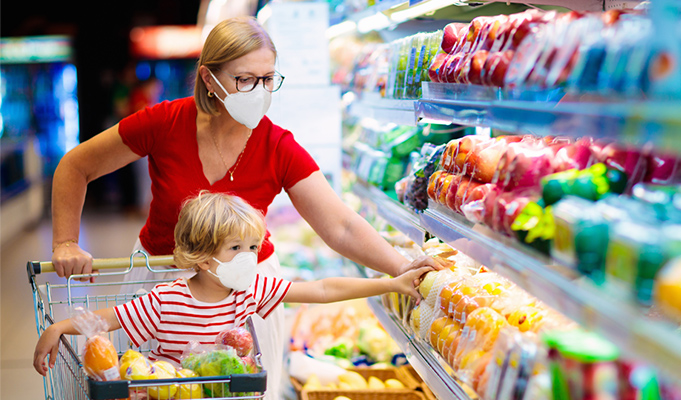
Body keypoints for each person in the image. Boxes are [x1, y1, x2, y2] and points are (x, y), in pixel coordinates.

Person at [48, 16, 440, 400]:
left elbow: (340, 226)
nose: (260, 90)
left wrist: (401, 267)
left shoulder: (277, 145)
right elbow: (76, 166)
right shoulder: (164, 123)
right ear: (209, 79)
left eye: (268, 79)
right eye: (245, 79)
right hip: (162, 287)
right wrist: (65, 241)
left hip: (245, 292)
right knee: (154, 387)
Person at [34, 192, 431, 375]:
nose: (250, 257)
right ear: (203, 258)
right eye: (236, 248)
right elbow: (111, 318)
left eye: (254, 246)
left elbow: (323, 290)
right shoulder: (166, 300)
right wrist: (59, 327)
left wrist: (391, 283)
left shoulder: (251, 289)